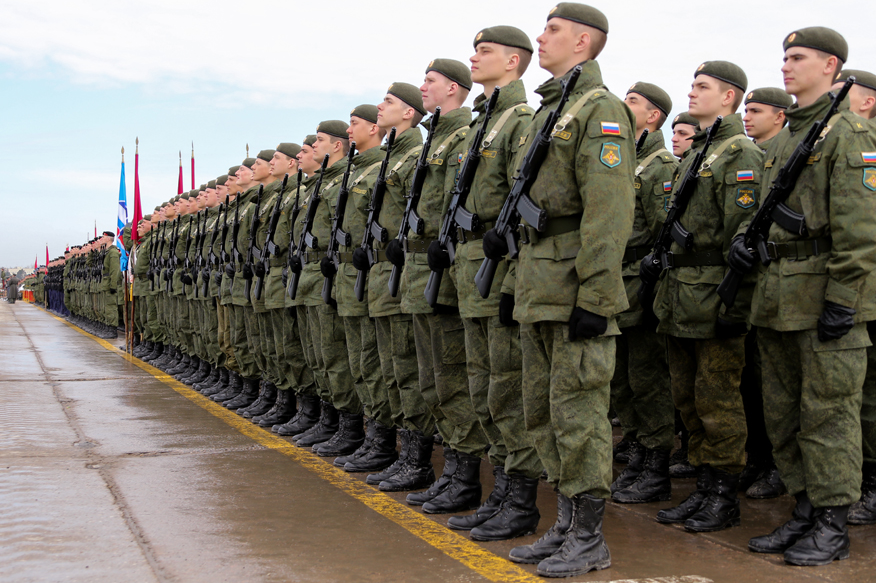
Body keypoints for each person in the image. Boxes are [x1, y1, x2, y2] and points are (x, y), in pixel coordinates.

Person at [487, 4, 634, 577]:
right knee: (544, 413)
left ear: (583, 41)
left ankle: (590, 537)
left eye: (551, 30)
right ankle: (567, 525)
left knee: (579, 414)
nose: (541, 38)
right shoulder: (554, 112)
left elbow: (609, 212)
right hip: (537, 283)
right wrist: (511, 285)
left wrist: (597, 297)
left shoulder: (600, 110)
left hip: (574, 285)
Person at [738, 27, 876, 566]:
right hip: (777, 299)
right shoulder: (794, 136)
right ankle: (803, 509)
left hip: (823, 301)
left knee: (829, 417)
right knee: (785, 417)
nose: (786, 66)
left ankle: (832, 521)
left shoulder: (848, 133)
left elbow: (861, 229)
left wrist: (845, 299)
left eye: (798, 58)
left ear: (831, 64)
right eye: (784, 57)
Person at [609, 82, 678, 505]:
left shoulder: (660, 166)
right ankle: (635, 448)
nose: (623, 104)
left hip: (642, 282)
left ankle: (655, 462)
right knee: (621, 380)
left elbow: (662, 235)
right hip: (618, 280)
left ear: (653, 117)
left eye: (632, 102)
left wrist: (653, 293)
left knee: (647, 378)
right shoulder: (625, 161)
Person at [831, 69, 876, 526]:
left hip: (865, 289)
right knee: (860, 398)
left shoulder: (861, 141)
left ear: (865, 103)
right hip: (864, 288)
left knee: (869, 398)